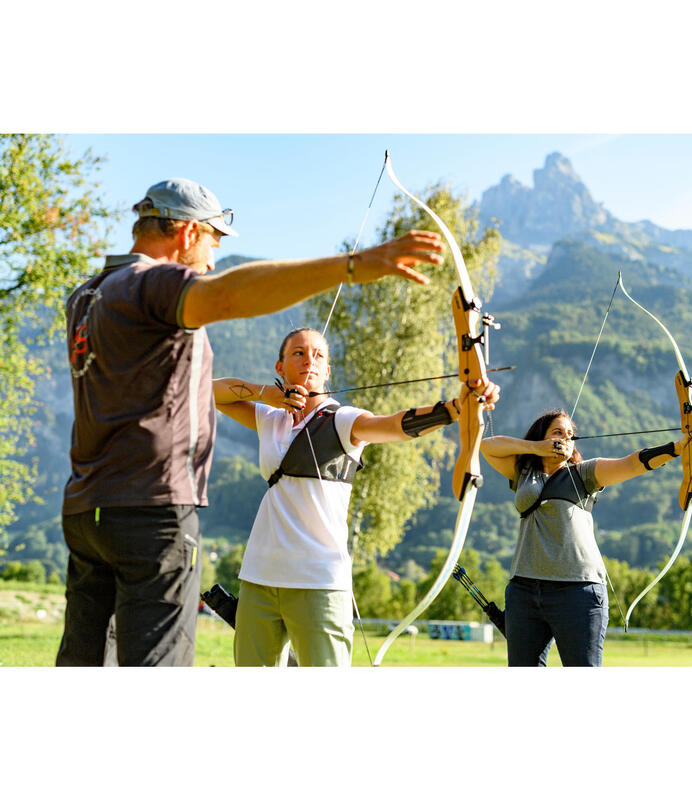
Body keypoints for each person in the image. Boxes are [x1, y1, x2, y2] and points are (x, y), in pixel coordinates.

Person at [56, 177, 446, 667]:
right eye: (213, 242)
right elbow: (225, 296)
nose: (212, 262)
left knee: (86, 662)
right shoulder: (150, 283)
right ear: (186, 233)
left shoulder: (86, 296)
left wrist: (451, 410)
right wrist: (353, 265)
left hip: (87, 510)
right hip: (149, 513)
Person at [213, 327, 500, 666]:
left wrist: (455, 408)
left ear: (328, 370)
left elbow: (393, 425)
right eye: (299, 353)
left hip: (318, 581)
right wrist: (267, 395)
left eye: (319, 355)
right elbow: (209, 391)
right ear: (280, 367)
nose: (309, 361)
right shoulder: (269, 418)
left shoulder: (342, 420)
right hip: (259, 577)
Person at [480, 409, 692, 667]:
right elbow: (487, 446)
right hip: (524, 590)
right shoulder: (524, 473)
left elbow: (632, 462)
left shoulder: (584, 473)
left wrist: (677, 448)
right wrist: (537, 448)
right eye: (557, 432)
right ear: (542, 437)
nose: (565, 438)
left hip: (576, 592)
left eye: (570, 435)